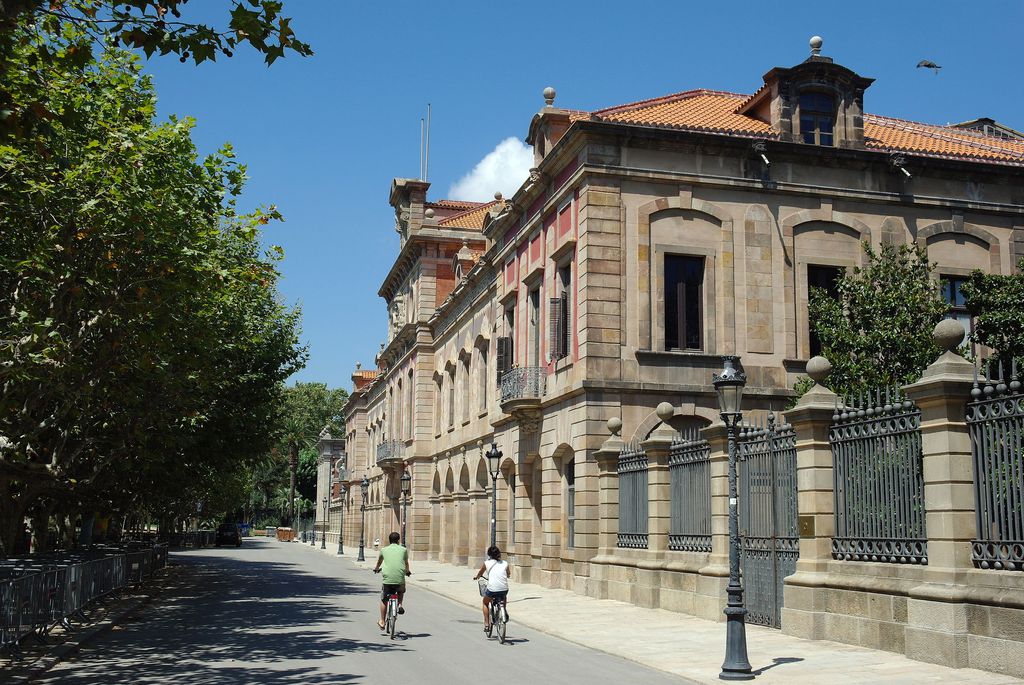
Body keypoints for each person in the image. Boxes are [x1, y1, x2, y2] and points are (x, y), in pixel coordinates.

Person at [373, 531, 411, 630]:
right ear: (398, 540)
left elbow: (379, 562)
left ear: (389, 540)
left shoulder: (384, 550)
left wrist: (376, 568)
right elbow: (406, 563)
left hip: (387, 579)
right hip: (399, 577)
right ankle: (400, 604)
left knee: (384, 599)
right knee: (400, 590)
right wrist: (407, 571)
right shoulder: (403, 550)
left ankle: (382, 621)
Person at [473, 545, 511, 634]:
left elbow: (480, 573)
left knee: (485, 602)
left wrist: (477, 577)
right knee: (503, 596)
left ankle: (487, 624)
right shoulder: (505, 563)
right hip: (504, 588)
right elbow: (508, 574)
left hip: (492, 589)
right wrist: (507, 575)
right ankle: (503, 609)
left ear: (489, 555)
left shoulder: (487, 563)